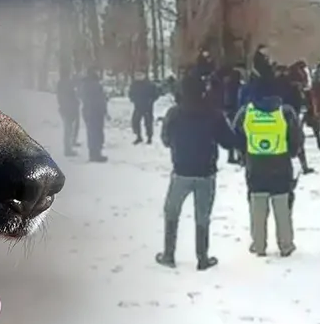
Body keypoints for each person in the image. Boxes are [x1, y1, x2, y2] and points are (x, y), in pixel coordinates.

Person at [155, 74, 233, 271]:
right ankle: (202, 257)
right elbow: (228, 141)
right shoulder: (214, 114)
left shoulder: (174, 113)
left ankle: (169, 254)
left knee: (171, 212)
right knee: (202, 215)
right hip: (206, 172)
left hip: (181, 171)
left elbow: (165, 139)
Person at [232, 77, 304, 257]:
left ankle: (259, 244)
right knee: (282, 206)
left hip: (255, 164)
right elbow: (296, 138)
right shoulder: (285, 112)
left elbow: (237, 136)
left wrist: (244, 154)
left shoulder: (246, 112)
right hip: (280, 164)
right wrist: (291, 152)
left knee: (257, 206)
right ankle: (286, 245)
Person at [79, 69, 108, 162]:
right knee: (97, 133)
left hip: (88, 111)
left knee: (91, 133)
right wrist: (104, 110)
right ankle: (96, 154)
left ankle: (93, 153)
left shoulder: (84, 84)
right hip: (96, 112)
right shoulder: (95, 85)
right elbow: (100, 100)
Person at [128, 72, 159, 144]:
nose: (139, 77)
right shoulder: (134, 84)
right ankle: (138, 136)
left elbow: (156, 94)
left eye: (140, 75)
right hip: (138, 106)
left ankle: (149, 137)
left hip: (147, 106)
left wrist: (151, 101)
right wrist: (133, 99)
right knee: (135, 121)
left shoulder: (149, 84)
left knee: (148, 122)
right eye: (137, 75)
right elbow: (131, 93)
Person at [56, 72, 80, 157]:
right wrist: (75, 103)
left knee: (68, 129)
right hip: (68, 109)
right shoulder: (67, 84)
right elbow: (71, 96)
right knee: (68, 130)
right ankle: (68, 150)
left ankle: (68, 148)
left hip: (64, 109)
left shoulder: (60, 84)